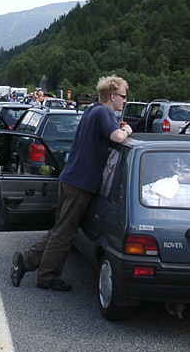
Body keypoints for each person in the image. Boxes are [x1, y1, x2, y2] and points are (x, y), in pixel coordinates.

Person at [10, 75, 132, 291]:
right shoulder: (105, 112)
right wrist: (127, 130)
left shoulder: (92, 110)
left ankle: (26, 260)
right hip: (81, 183)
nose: (124, 100)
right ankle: (47, 277)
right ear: (112, 96)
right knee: (65, 233)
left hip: (70, 178)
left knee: (60, 229)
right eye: (123, 96)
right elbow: (118, 137)